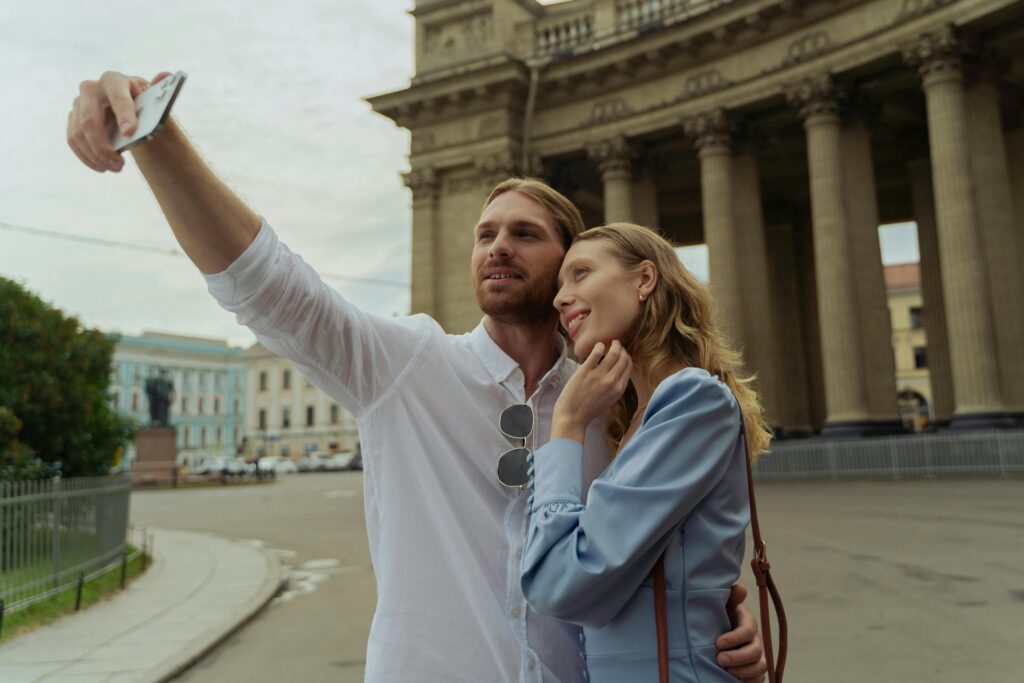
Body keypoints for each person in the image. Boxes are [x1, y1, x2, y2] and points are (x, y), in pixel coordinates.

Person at [66, 71, 768, 683]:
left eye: (526, 234)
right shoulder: (406, 363)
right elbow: (268, 285)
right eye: (485, 232)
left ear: (566, 267)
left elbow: (657, 562)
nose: (497, 244)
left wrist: (722, 627)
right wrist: (155, 136)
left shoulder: (612, 407)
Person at [520, 223, 773, 681]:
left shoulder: (693, 400)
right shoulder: (637, 418)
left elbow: (559, 584)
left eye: (580, 273)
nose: (560, 298)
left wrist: (567, 425)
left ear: (644, 279)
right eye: (559, 285)